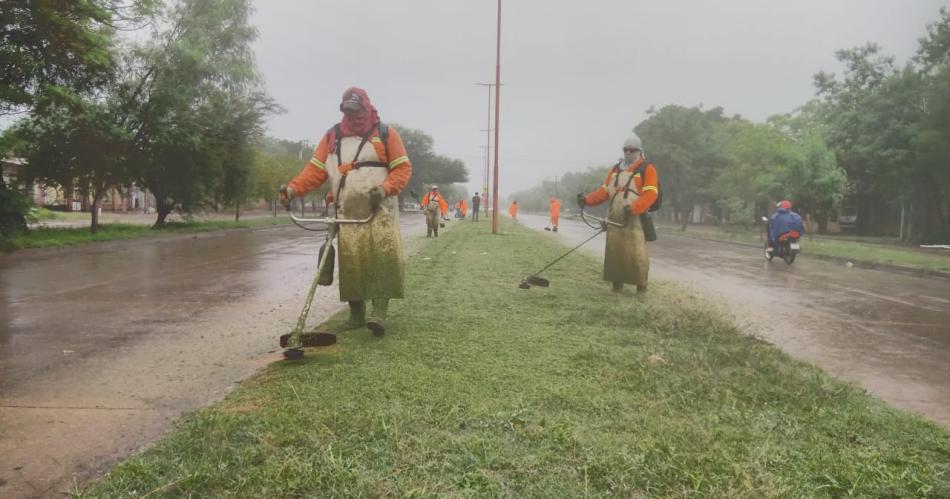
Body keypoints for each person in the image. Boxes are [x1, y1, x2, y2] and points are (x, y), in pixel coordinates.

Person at [281, 87, 412, 335]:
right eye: (348, 111)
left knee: (380, 259)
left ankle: (379, 314)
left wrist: (385, 189)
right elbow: (315, 171)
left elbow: (403, 169)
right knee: (352, 262)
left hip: (379, 210)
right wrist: (292, 190)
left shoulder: (385, 134)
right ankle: (356, 315)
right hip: (347, 212)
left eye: (357, 110)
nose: (353, 116)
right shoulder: (333, 137)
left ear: (366, 107)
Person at [577, 133, 658, 294]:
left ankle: (641, 288)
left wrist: (634, 208)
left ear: (639, 151)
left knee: (637, 255)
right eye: (625, 150)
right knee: (615, 253)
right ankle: (616, 287)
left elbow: (651, 194)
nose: (628, 153)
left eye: (632, 150)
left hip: (636, 219)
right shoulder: (615, 170)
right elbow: (604, 192)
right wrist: (587, 200)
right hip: (615, 217)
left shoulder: (647, 168)